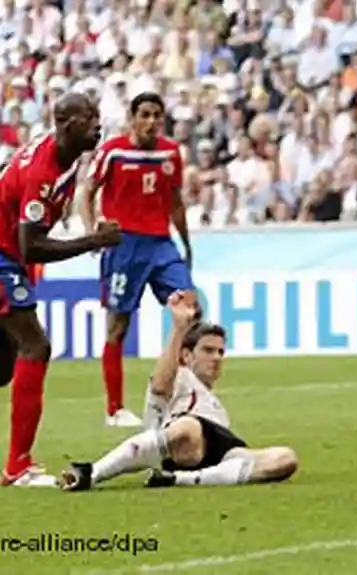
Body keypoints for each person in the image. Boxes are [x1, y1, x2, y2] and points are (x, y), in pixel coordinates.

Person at [0, 93, 122, 487]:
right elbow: (30, 246)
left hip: (9, 256)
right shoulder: (44, 171)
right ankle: (18, 466)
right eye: (89, 118)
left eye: (98, 116)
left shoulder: (63, 157)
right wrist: (94, 241)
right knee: (36, 346)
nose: (98, 125)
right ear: (66, 124)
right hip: (4, 256)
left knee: (3, 366)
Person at [59, 291, 299, 492]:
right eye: (208, 350)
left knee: (286, 458)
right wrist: (179, 328)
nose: (216, 357)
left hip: (221, 452)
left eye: (220, 352)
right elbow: (160, 386)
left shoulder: (216, 407)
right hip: (185, 442)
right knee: (188, 428)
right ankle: (92, 472)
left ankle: (178, 480)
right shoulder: (180, 377)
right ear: (186, 355)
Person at [82, 92, 197, 428]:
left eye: (156, 115)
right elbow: (86, 192)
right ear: (131, 118)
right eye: (144, 114)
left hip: (161, 244)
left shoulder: (170, 152)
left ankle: (182, 396)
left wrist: (186, 243)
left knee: (190, 310)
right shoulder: (113, 151)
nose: (151, 122)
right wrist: (91, 233)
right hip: (124, 244)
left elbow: (175, 201)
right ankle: (114, 409)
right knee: (118, 326)